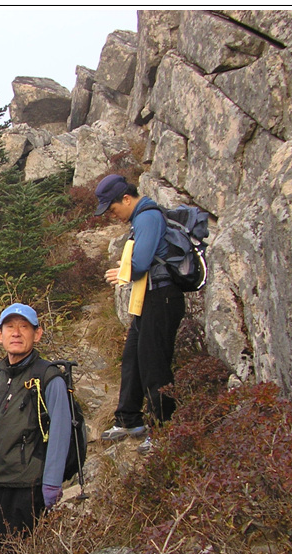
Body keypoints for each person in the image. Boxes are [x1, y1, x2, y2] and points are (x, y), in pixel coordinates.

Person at [94, 174, 186, 453]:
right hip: (148, 299)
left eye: (113, 209)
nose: (114, 215)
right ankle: (128, 419)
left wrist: (121, 272)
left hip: (162, 298)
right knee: (133, 358)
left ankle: (163, 430)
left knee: (153, 363)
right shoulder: (140, 219)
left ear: (126, 198)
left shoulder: (147, 217)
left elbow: (142, 261)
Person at [0, 303, 71, 554]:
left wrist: (51, 483)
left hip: (25, 488)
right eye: (10, 327)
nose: (16, 333)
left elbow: (61, 434)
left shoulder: (49, 378)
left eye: (24, 327)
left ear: (37, 334)